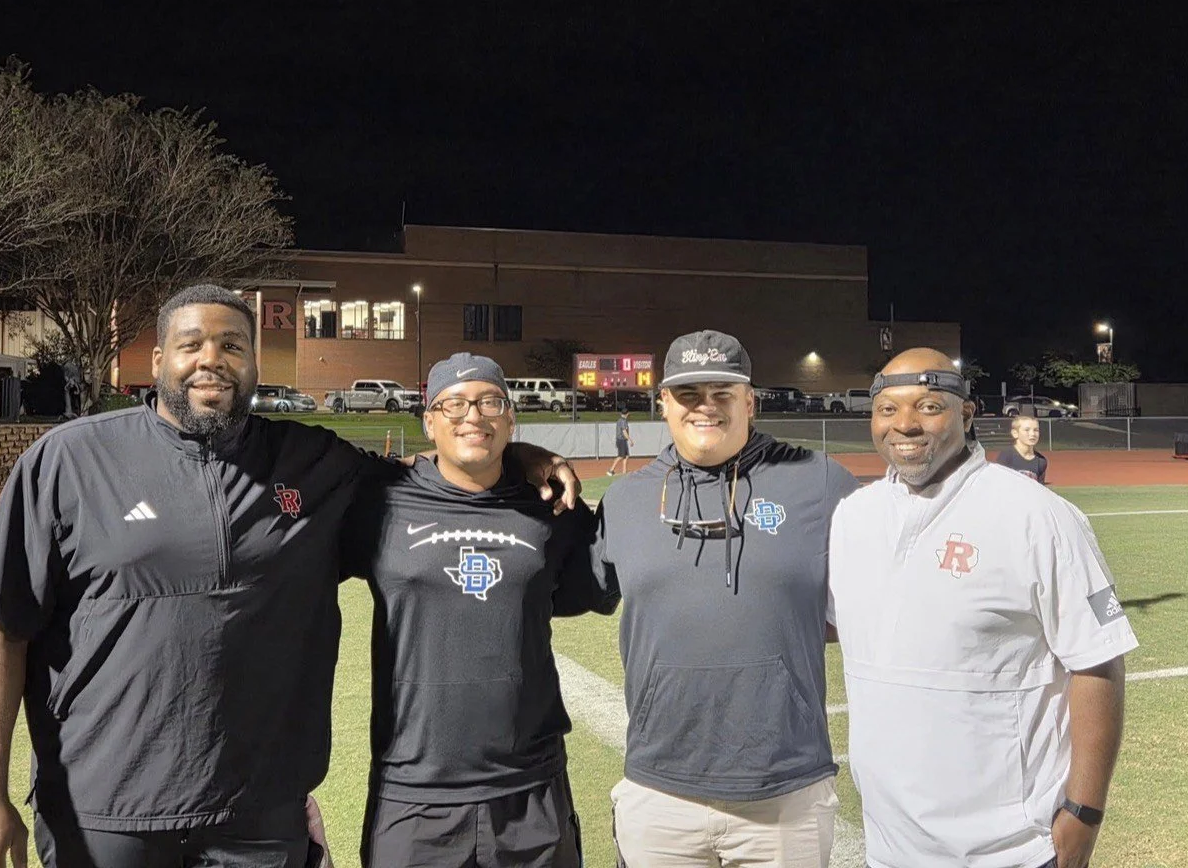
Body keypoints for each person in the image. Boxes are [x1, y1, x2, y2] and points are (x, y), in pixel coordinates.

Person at [0, 284, 580, 868]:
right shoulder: (70, 460)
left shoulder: (312, 461)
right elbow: (0, 628)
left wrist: (517, 455)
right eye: (192, 344)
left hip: (258, 815)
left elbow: (431, 475)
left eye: (232, 346)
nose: (212, 360)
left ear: (255, 364)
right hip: (104, 809)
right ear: (157, 359)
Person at [828, 348, 1137, 868]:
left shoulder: (1037, 516)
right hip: (889, 849)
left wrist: (1084, 812)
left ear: (966, 413)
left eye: (928, 406)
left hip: (1010, 850)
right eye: (888, 409)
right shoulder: (852, 518)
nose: (905, 424)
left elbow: (1098, 660)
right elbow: (843, 627)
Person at [594, 329, 858, 868]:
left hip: (786, 792)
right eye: (689, 394)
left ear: (749, 401)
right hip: (659, 792)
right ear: (663, 402)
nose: (705, 408)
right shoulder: (624, 499)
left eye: (723, 393)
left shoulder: (823, 483)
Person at [357, 353, 617, 868]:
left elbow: (597, 587)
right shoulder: (377, 499)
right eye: (452, 403)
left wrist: (533, 460)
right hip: (414, 792)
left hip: (531, 788)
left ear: (510, 418)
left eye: (489, 401)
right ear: (428, 420)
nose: (472, 415)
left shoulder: (550, 506)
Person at [995, 414, 1049, 483]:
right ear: (1015, 433)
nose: (1032, 434)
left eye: (1036, 430)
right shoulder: (1006, 456)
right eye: (1027, 430)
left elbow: (1040, 489)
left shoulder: (1041, 461)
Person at [607, 403, 633, 476]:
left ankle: (624, 472)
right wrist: (630, 440)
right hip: (621, 440)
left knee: (626, 456)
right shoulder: (623, 421)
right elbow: (624, 431)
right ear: (626, 414)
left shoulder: (620, 420)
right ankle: (611, 470)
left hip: (622, 440)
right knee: (621, 456)